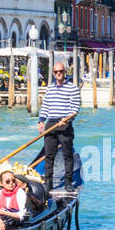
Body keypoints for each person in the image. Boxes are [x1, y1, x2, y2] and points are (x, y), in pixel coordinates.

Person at [38, 61, 80, 192]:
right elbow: (46, 105)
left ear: (65, 72)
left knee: (67, 154)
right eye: (56, 72)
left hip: (65, 124)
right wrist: (41, 120)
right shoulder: (50, 88)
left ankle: (68, 182)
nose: (58, 74)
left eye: (60, 71)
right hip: (51, 123)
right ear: (53, 73)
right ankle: (48, 182)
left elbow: (75, 108)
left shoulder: (72, 88)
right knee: (49, 155)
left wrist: (67, 120)